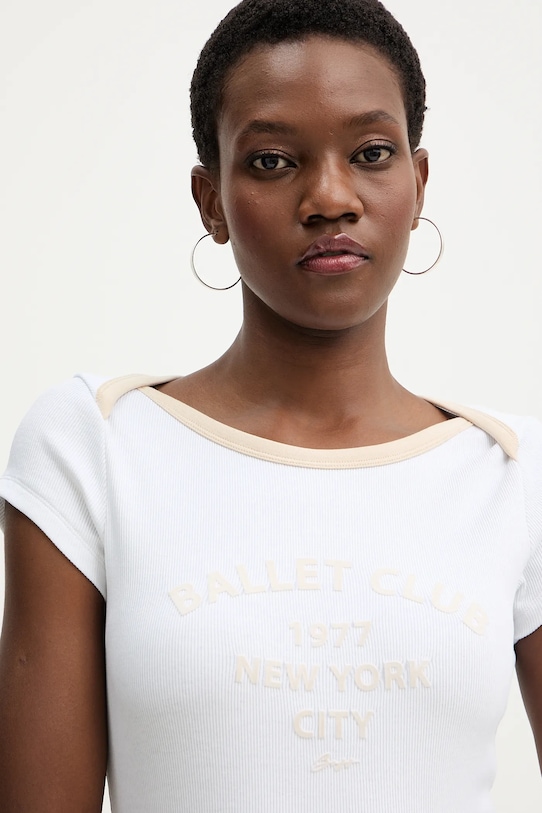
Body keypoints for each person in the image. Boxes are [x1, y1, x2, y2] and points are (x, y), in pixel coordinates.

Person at [0, 0, 541, 810]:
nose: (330, 197)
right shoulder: (95, 446)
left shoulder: (514, 474)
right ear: (210, 199)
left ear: (418, 182)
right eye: (273, 161)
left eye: (371, 153)